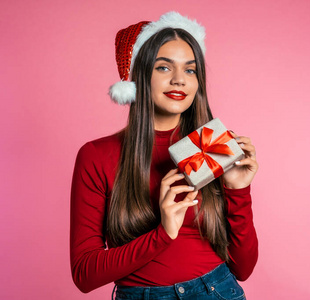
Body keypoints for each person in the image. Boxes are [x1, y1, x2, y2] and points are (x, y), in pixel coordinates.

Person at [70, 12, 258, 300]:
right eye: (163, 68)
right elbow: (84, 274)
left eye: (191, 70)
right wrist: (163, 233)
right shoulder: (97, 156)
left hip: (217, 290)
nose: (179, 80)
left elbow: (243, 268)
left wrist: (238, 189)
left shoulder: (210, 147)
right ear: (138, 75)